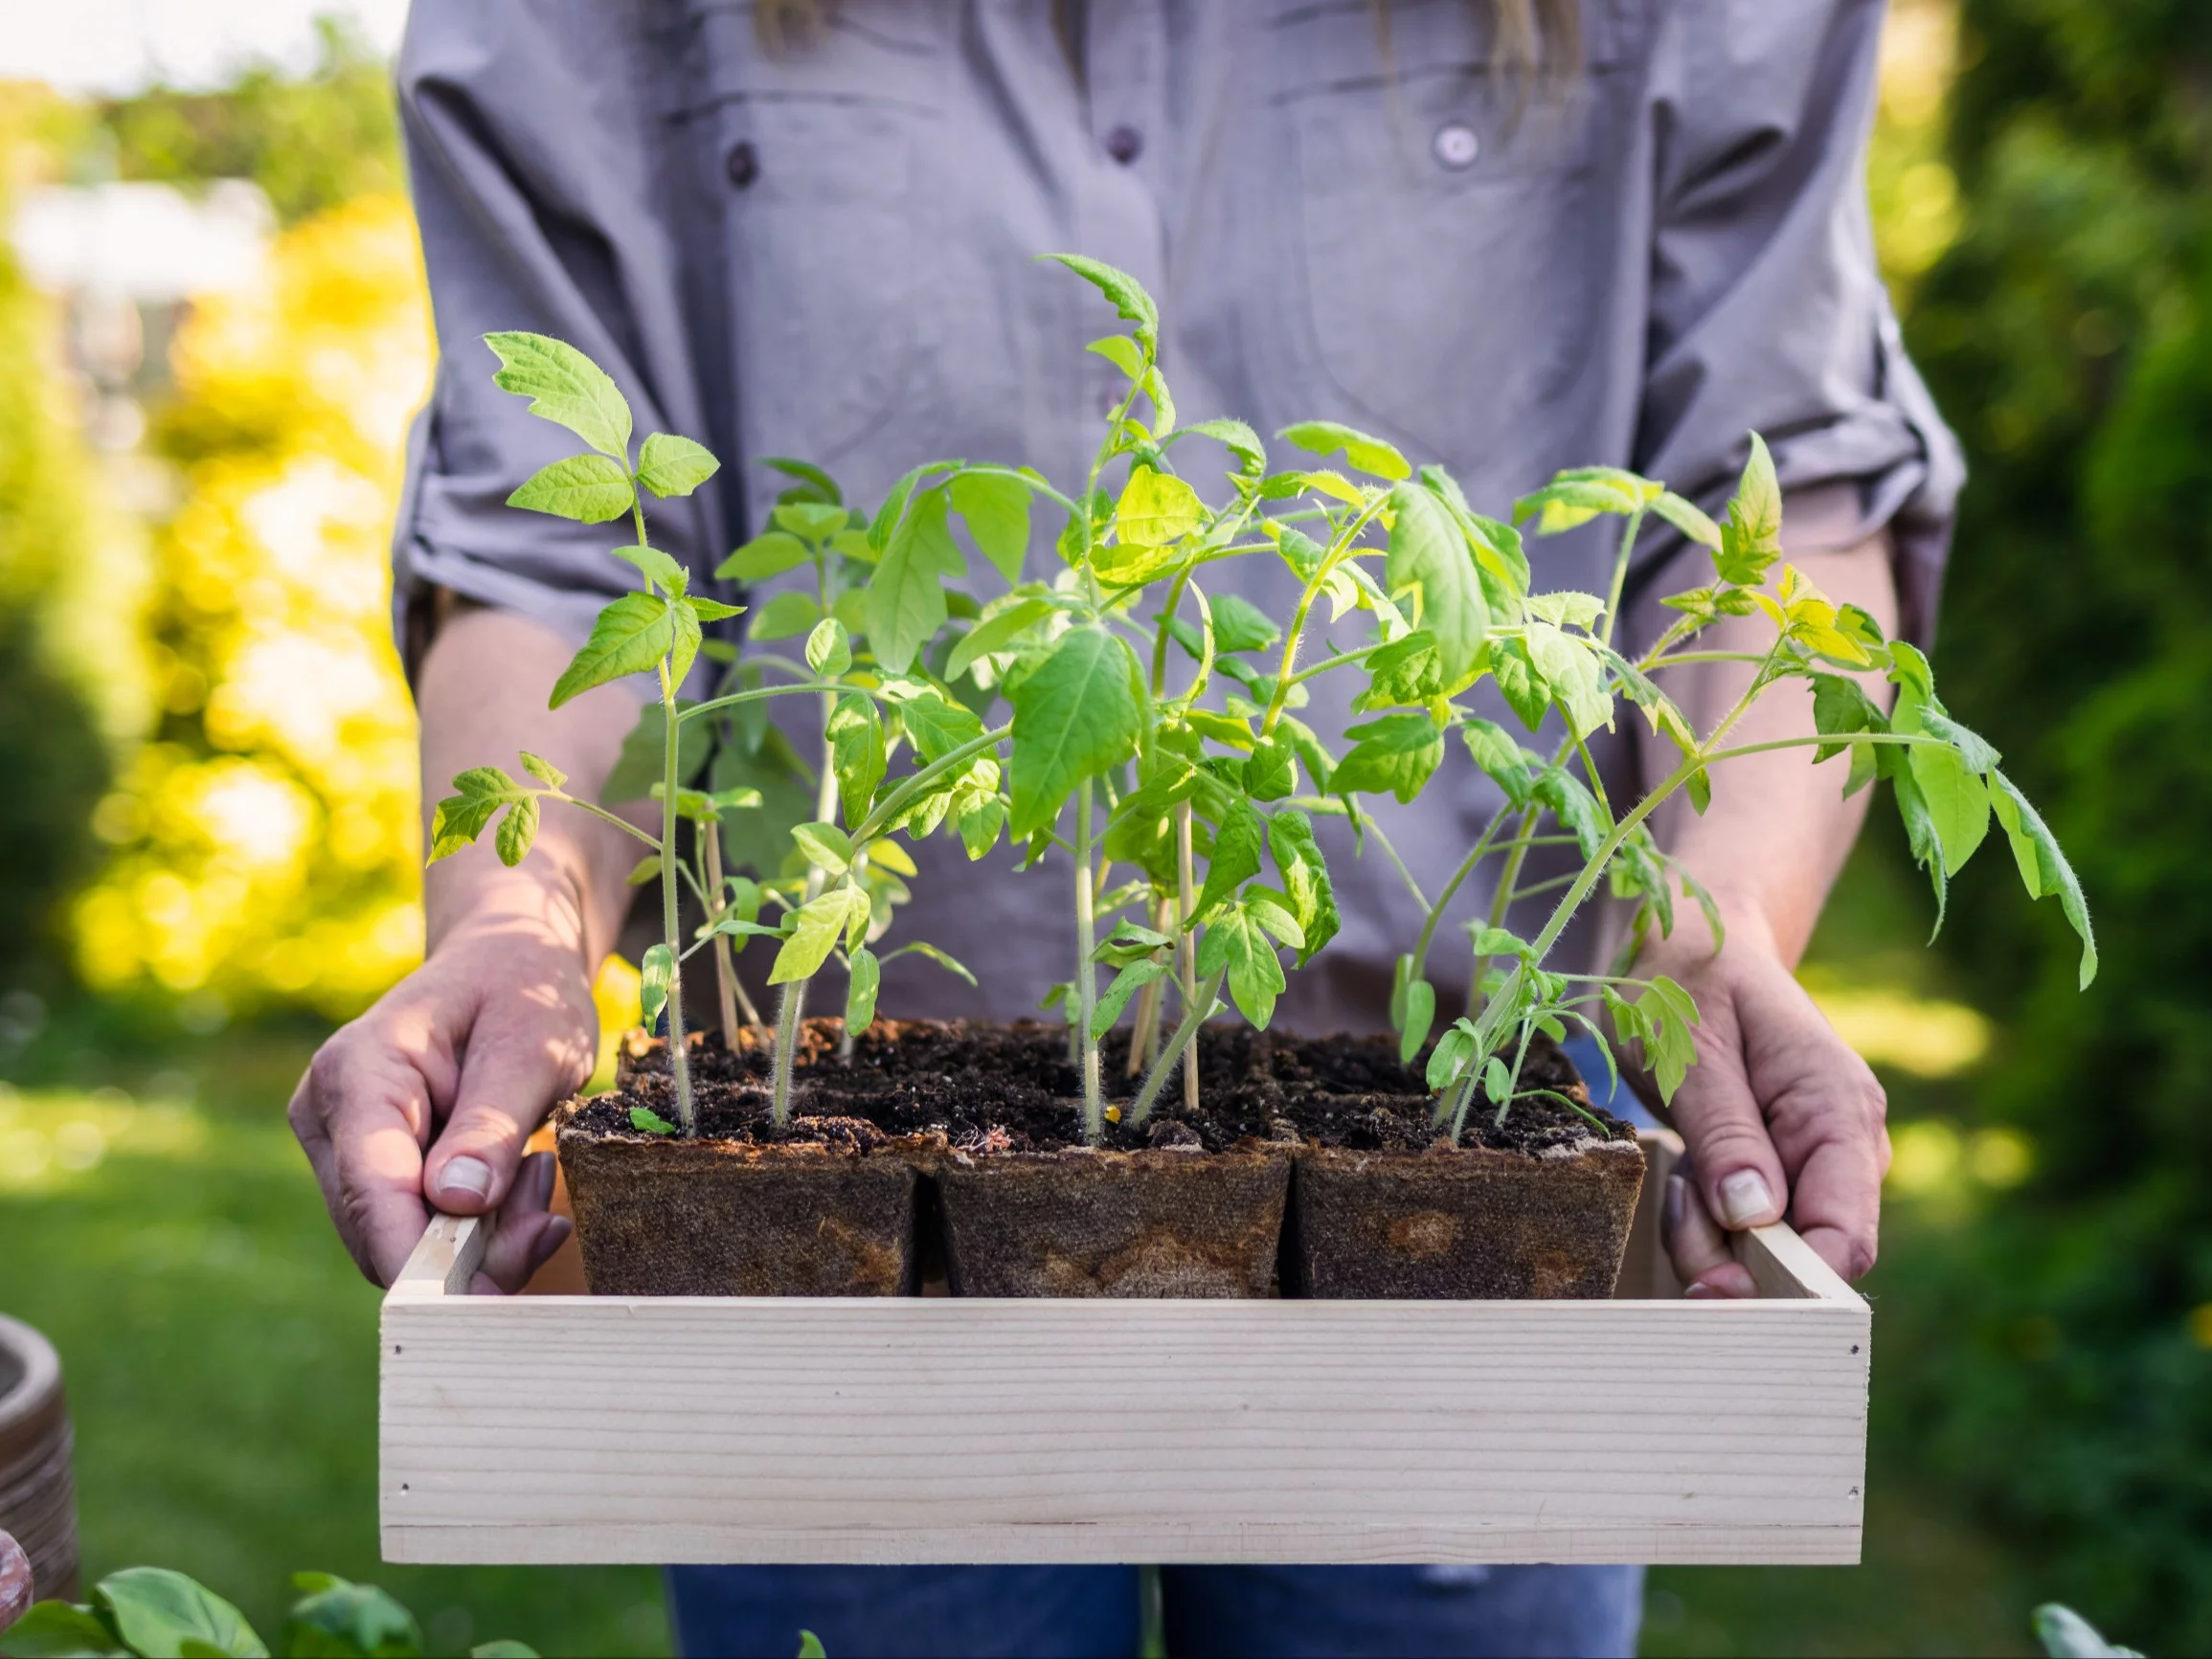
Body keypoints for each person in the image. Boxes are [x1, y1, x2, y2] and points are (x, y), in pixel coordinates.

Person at [289, 3, 1957, 1654]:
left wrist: (1716, 912)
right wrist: (521, 922)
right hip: (826, 1207)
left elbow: (1781, 488)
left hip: (1467, 1135)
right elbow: (547, 536)